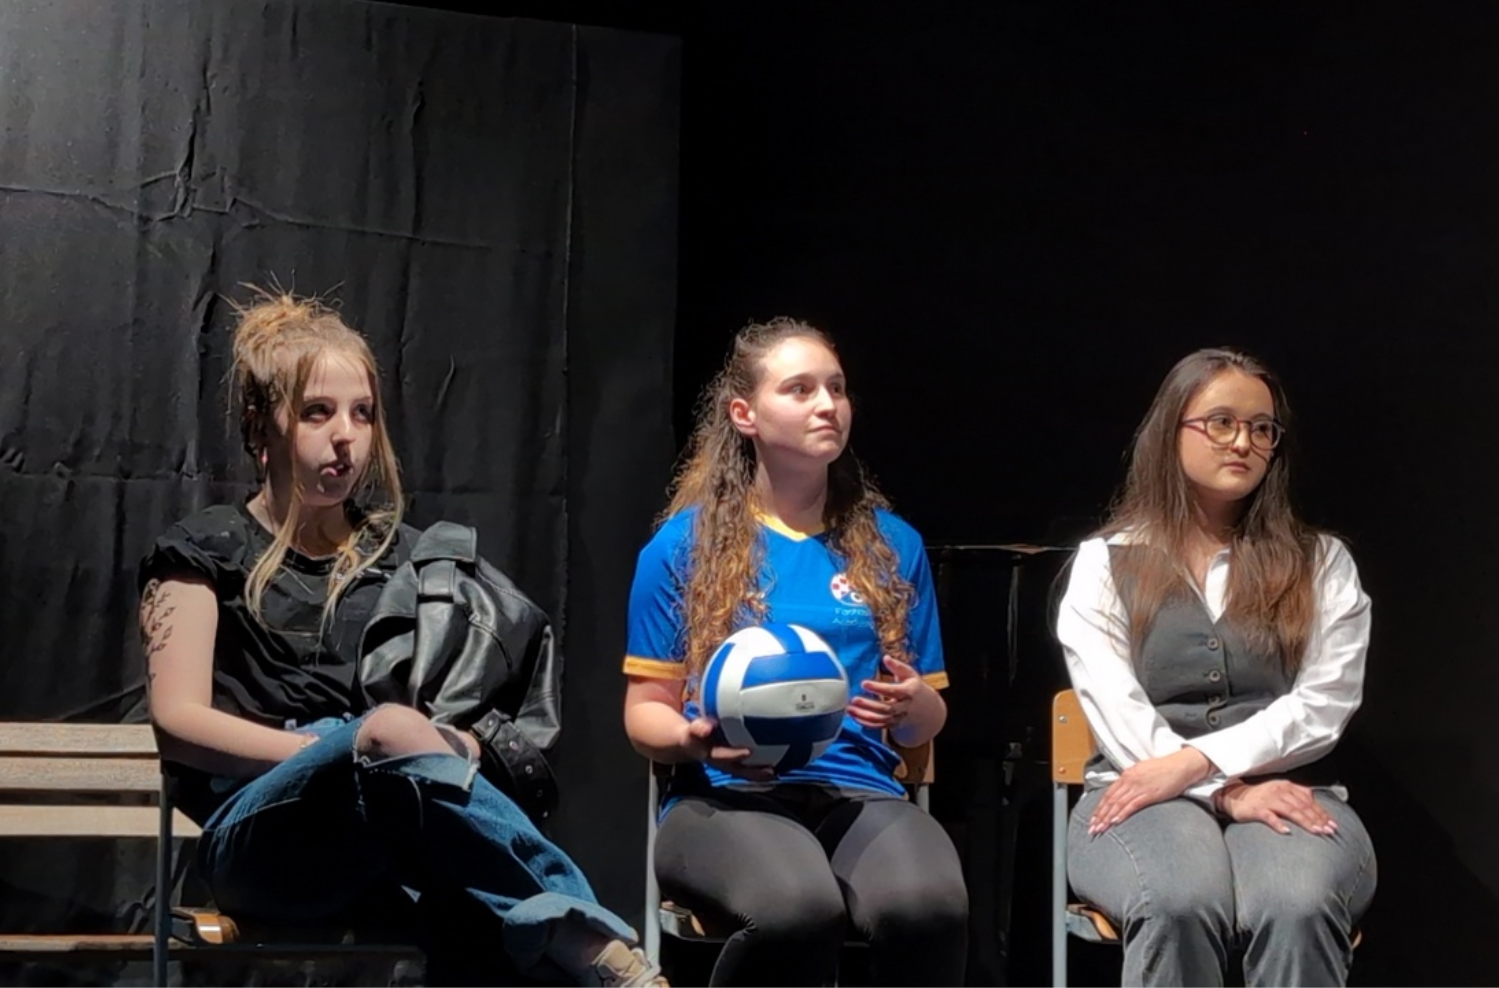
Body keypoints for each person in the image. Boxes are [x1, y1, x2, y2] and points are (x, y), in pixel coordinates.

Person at [138, 289, 665, 988]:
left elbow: (480, 723)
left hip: (392, 827)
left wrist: (438, 747)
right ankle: (589, 935)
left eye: (362, 412)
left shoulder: (412, 561)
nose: (346, 436)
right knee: (389, 737)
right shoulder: (205, 550)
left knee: (466, 893)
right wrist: (341, 749)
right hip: (260, 838)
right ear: (261, 423)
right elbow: (177, 722)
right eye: (318, 412)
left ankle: (562, 933)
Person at [623, 317, 967, 988]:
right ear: (744, 414)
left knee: (927, 908)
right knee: (797, 909)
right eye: (800, 389)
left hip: (859, 790)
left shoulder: (892, 546)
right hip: (724, 798)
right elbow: (644, 714)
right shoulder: (683, 546)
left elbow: (924, 723)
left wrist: (916, 705)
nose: (827, 404)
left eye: (836, 388)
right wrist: (692, 740)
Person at [1056, 347, 1375, 987]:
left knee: (1296, 902)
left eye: (1262, 429)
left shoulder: (1321, 562)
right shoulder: (1106, 562)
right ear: (1171, 430)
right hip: (1135, 791)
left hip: (1290, 790)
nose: (1243, 443)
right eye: (1221, 422)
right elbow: (1117, 711)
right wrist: (1226, 792)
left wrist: (1200, 763)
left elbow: (1323, 704)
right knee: (1178, 898)